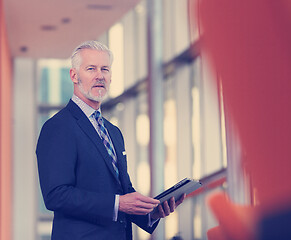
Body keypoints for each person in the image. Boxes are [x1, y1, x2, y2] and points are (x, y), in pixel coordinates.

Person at [36, 40, 185, 240]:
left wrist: (151, 213)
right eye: (91, 69)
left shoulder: (113, 131)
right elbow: (56, 195)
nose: (100, 75)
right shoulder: (58, 127)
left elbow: (124, 191)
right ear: (74, 75)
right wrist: (117, 204)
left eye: (105, 69)